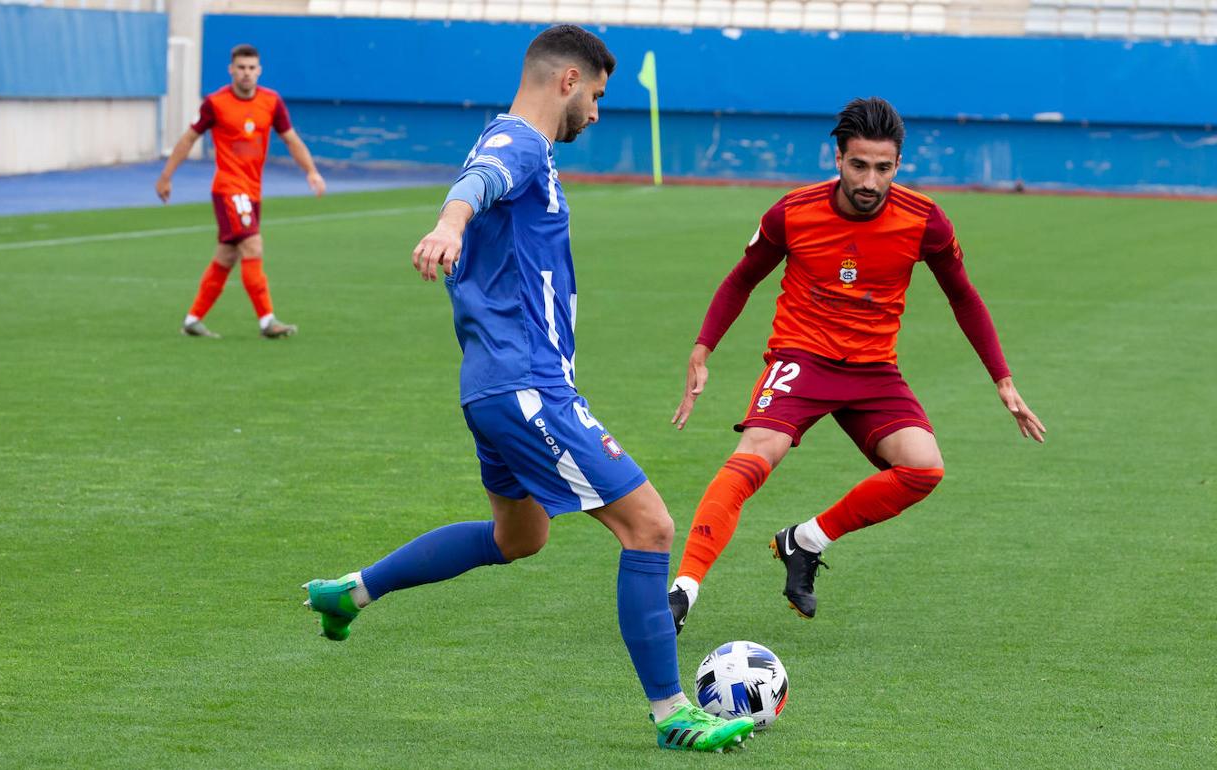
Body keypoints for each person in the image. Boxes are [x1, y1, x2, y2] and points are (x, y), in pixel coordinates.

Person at [302, 26, 754, 753]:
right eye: (598, 96)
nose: (599, 114)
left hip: (490, 389)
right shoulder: (519, 142)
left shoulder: (511, 143)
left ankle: (350, 591)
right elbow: (474, 186)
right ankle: (673, 712)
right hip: (526, 387)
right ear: (567, 80)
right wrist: (448, 225)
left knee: (521, 536)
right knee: (651, 528)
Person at [668, 97, 1047, 633]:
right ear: (839, 158)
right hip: (802, 357)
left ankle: (805, 541)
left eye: (884, 168)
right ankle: (683, 591)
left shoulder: (924, 221)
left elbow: (963, 297)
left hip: (872, 371)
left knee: (923, 469)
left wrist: (1002, 380)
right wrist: (702, 349)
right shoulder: (793, 212)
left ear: (898, 165)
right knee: (755, 456)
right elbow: (741, 279)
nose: (870, 181)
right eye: (859, 165)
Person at [155, 43, 325, 339]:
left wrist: (310, 171)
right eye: (241, 68)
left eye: (251, 68)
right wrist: (166, 176)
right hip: (228, 189)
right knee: (252, 246)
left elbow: (291, 139)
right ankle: (267, 321)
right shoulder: (216, 103)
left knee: (227, 256)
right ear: (231, 70)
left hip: (252, 191)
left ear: (259, 71)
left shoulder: (271, 102)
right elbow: (188, 139)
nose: (246, 74)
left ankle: (193, 319)